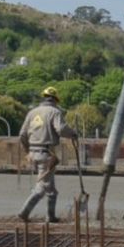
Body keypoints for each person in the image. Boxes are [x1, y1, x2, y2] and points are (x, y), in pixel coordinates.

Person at [17, 86, 77, 223]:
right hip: (46, 154)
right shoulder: (55, 112)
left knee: (48, 188)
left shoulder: (32, 113)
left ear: (43, 97)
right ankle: (25, 212)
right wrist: (73, 133)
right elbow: (61, 129)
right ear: (56, 100)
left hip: (33, 154)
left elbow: (22, 134)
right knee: (43, 188)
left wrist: (27, 151)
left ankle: (49, 216)